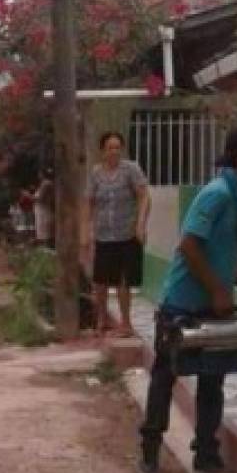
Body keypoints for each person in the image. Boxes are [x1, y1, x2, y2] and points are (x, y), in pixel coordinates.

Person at [138, 128, 237, 473]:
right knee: (165, 376)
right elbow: (190, 246)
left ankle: (206, 453)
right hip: (183, 303)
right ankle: (150, 448)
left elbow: (222, 254)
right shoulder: (217, 195)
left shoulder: (235, 196)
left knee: (213, 378)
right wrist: (218, 290)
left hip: (211, 304)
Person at [83, 132, 151, 338]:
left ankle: (126, 323)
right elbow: (88, 202)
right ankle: (102, 319)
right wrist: (85, 231)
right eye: (110, 148)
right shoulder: (95, 174)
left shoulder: (130, 169)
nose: (114, 151)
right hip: (104, 235)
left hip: (127, 234)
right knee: (100, 281)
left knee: (124, 280)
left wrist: (140, 224)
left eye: (117, 147)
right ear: (102, 150)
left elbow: (144, 196)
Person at [34, 173, 55, 247]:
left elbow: (41, 198)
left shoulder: (46, 184)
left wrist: (28, 196)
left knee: (45, 230)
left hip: (44, 210)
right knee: (41, 230)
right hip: (40, 210)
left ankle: (47, 246)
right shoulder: (42, 184)